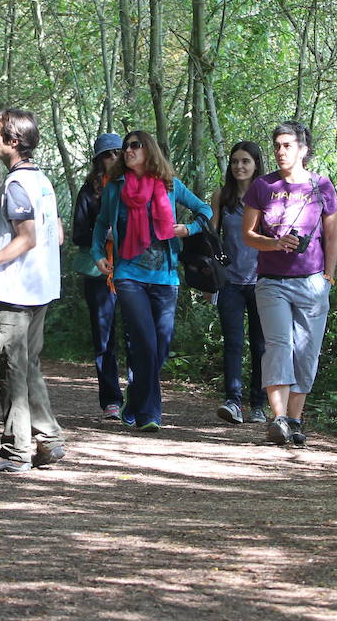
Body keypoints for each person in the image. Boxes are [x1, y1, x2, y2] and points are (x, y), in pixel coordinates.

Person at [0, 109, 65, 473]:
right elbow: (56, 236)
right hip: (41, 288)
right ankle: (48, 439)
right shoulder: (43, 182)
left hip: (14, 293)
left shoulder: (15, 184)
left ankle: (15, 452)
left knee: (11, 371)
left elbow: (28, 237)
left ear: (13, 141)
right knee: (26, 366)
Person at [91, 130, 213, 431]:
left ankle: (134, 400)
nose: (128, 151)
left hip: (166, 276)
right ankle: (150, 414)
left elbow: (205, 210)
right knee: (145, 340)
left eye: (135, 146)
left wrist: (189, 229)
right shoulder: (115, 188)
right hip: (129, 273)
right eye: (126, 147)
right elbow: (100, 225)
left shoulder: (170, 185)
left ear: (150, 151)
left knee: (160, 346)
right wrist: (97, 255)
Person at [241, 121, 337, 447]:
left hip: (312, 283)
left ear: (303, 149)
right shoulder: (262, 186)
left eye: (288, 145)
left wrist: (328, 277)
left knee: (306, 352)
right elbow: (248, 235)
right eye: (278, 146)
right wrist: (274, 244)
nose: (281, 151)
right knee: (279, 345)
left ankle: (295, 420)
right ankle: (279, 418)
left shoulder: (321, 186)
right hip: (271, 282)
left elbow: (331, 236)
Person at [211, 141, 267, 425]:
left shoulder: (268, 197)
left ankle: (258, 404)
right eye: (235, 162)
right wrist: (213, 277)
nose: (239, 166)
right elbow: (212, 237)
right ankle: (233, 401)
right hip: (230, 282)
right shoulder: (222, 196)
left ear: (256, 164)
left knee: (260, 345)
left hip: (262, 282)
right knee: (233, 343)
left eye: (245, 161)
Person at [71, 133, 124, 419]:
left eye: (117, 153)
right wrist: (102, 234)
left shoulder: (134, 187)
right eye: (108, 154)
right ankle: (111, 401)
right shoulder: (88, 191)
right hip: (98, 271)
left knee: (137, 335)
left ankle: (141, 400)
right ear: (98, 159)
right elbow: (77, 234)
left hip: (132, 269)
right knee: (104, 338)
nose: (113, 159)